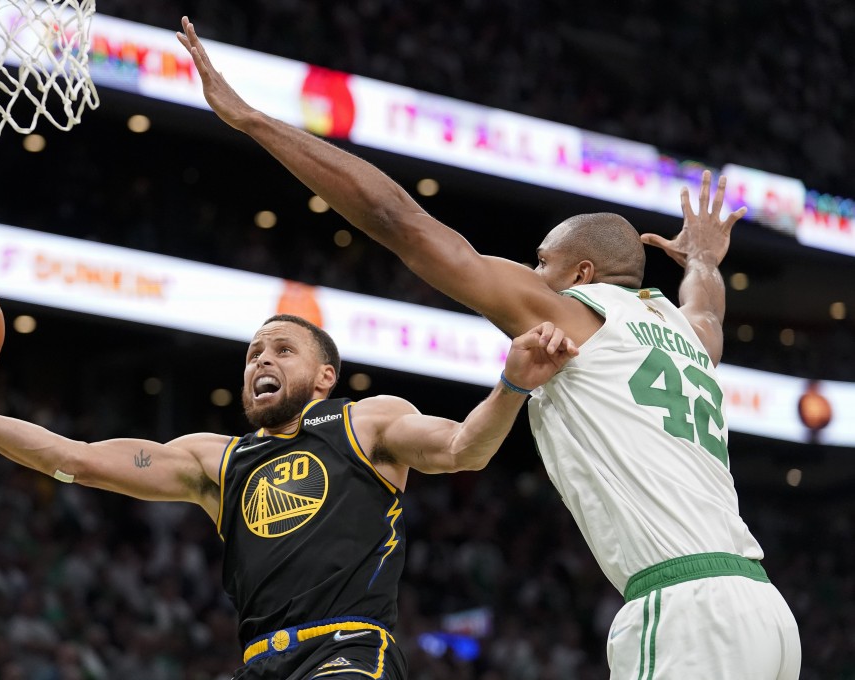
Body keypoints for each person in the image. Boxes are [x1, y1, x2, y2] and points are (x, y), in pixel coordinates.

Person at [176, 18, 802, 679]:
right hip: (764, 609)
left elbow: (400, 221)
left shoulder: (572, 314)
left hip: (686, 608)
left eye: (541, 263)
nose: (531, 276)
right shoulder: (686, 337)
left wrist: (253, 121)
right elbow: (706, 310)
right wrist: (702, 261)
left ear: (582, 274)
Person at [0, 314, 578, 679]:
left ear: (325, 376)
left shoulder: (366, 423)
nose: (261, 360)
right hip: (258, 663)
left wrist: (513, 383)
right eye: (252, 355)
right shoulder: (216, 460)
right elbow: (74, 460)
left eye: (282, 350)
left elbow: (464, 449)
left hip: (347, 651)